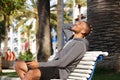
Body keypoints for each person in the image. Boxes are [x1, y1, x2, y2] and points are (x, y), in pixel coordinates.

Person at [15, 21, 91, 80]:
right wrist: (76, 26)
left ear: (83, 31)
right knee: (19, 64)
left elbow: (63, 63)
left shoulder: (80, 45)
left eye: (80, 24)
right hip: (53, 67)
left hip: (60, 71)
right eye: (78, 22)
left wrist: (39, 64)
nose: (77, 23)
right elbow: (64, 26)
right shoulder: (71, 39)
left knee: (32, 73)